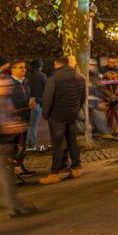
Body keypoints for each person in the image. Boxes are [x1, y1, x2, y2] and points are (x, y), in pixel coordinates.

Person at [0, 76, 39, 218]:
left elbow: (8, 118)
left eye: (5, 86)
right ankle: (16, 208)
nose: (4, 89)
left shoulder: (4, 100)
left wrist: (12, 131)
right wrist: (3, 129)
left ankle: (16, 207)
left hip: (0, 143)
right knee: (4, 177)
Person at [39, 56, 86, 184]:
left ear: (57, 64)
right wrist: (75, 109)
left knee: (58, 145)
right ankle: (76, 168)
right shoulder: (80, 78)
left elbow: (48, 100)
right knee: (72, 142)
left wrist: (45, 114)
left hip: (57, 116)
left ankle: (55, 173)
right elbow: (82, 98)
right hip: (72, 115)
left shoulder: (53, 79)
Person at [7, 60, 35, 175]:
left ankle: (20, 167)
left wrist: (31, 102)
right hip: (14, 119)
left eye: (24, 67)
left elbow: (28, 97)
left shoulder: (25, 82)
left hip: (25, 116)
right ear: (13, 69)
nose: (24, 69)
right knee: (14, 145)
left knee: (23, 145)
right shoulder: (8, 83)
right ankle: (12, 169)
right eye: (20, 67)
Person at [25, 59, 46, 150]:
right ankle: (32, 144)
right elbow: (46, 89)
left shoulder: (28, 76)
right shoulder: (42, 76)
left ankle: (28, 142)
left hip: (28, 101)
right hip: (37, 102)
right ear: (40, 66)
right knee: (34, 124)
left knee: (30, 124)